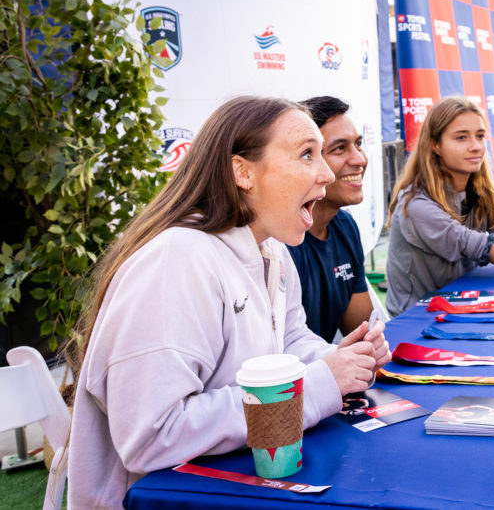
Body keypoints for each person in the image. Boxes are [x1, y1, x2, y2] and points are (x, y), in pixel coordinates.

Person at [66, 97, 392, 508]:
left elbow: (289, 342)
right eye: (307, 154)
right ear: (242, 172)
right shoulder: (176, 261)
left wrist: (340, 360)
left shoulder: (272, 250)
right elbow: (151, 435)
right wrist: (322, 383)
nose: (327, 173)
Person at [385, 97, 494, 315]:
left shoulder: (480, 189)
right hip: (418, 320)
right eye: (461, 138)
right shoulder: (414, 203)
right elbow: (466, 241)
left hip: (465, 308)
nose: (475, 147)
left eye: (480, 136)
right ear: (435, 145)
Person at [286, 96, 373, 342]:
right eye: (339, 148)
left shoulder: (345, 226)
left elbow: (364, 333)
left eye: (358, 144)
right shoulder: (280, 240)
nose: (359, 159)